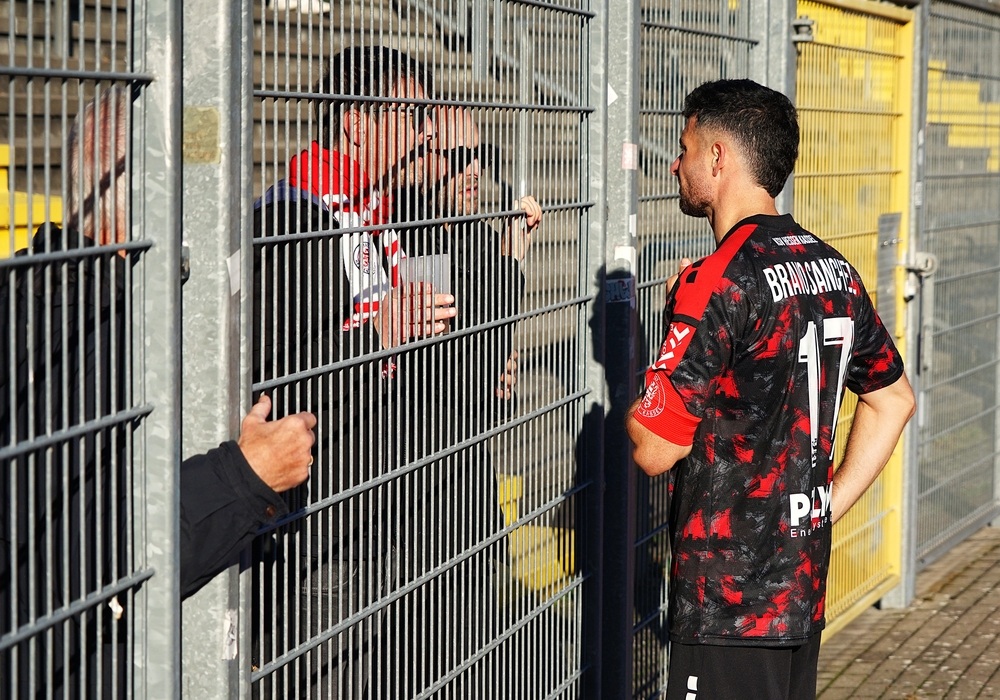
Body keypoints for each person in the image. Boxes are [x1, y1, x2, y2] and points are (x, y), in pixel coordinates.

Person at [0, 86, 315, 698]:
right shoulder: (117, 334)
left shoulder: (33, 287)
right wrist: (245, 477)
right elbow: (99, 554)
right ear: (157, 201)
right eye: (202, 196)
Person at [625, 79, 915, 700]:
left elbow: (654, 446)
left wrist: (669, 344)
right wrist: (824, 505)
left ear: (718, 156)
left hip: (727, 605)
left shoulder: (716, 282)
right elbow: (894, 399)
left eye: (685, 148)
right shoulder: (833, 268)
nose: (675, 164)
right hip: (801, 591)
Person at [382, 106, 540, 697]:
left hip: (466, 467)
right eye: (458, 158)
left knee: (469, 640)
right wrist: (509, 263)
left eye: (479, 156)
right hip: (419, 480)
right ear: (423, 159)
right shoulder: (413, 230)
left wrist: (511, 252)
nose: (473, 171)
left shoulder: (469, 233)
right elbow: (444, 361)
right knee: (425, 647)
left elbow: (488, 340)